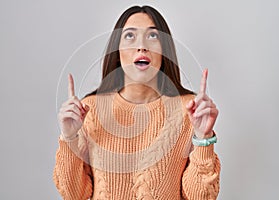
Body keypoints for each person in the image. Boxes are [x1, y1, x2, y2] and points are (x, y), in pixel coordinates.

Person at [54, 5, 220, 200]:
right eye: (130, 36)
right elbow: (74, 194)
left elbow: (200, 196)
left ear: (164, 51)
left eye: (152, 36)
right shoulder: (89, 109)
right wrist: (69, 137)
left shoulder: (190, 110)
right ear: (117, 51)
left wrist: (203, 137)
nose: (142, 46)